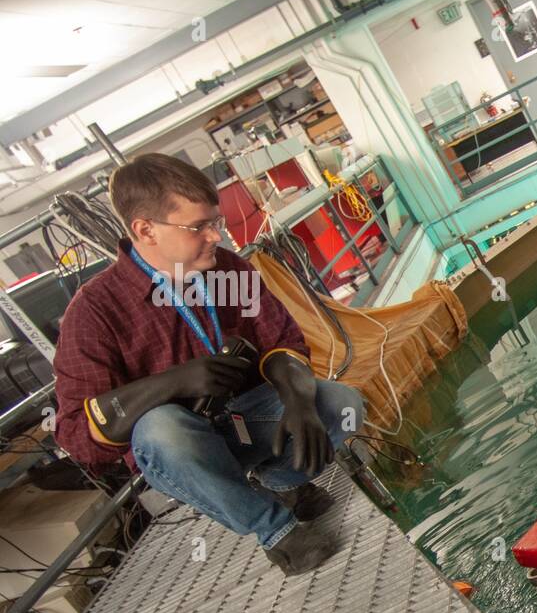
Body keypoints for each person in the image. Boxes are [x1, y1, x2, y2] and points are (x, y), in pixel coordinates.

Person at [52, 153, 366, 576]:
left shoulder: (228, 270)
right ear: (145, 230)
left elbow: (282, 340)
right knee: (161, 427)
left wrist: (297, 395)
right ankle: (277, 532)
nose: (216, 236)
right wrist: (170, 384)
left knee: (339, 402)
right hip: (182, 450)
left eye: (215, 222)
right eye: (198, 226)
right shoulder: (94, 312)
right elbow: (76, 435)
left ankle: (278, 485)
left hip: (244, 418)